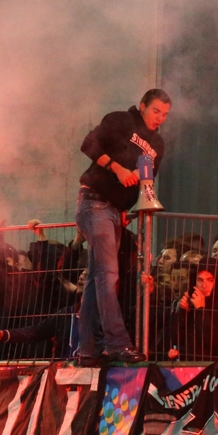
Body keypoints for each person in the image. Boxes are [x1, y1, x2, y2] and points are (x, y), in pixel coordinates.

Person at [76, 88, 171, 364]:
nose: (159, 118)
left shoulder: (158, 145)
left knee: (97, 280)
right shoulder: (121, 121)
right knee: (108, 276)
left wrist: (129, 208)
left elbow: (147, 181)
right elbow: (88, 144)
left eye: (164, 115)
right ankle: (117, 342)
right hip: (95, 203)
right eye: (156, 111)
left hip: (115, 212)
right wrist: (117, 168)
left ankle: (87, 349)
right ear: (142, 106)